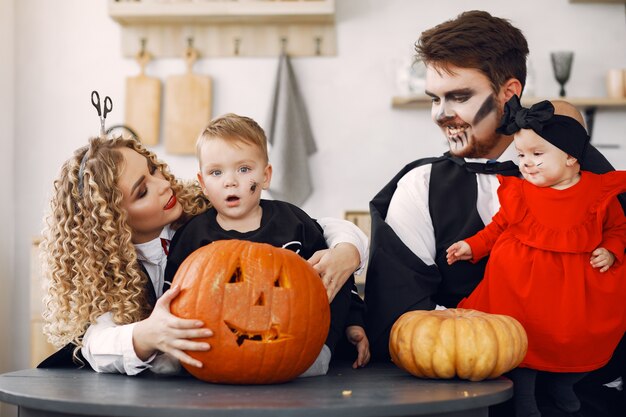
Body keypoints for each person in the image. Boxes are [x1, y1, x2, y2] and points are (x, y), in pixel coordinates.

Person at [364, 10, 625, 417]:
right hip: (457, 401)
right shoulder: (420, 188)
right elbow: (398, 317)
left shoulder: (594, 180)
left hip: (584, 397)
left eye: (460, 96)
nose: (440, 114)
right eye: (436, 98)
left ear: (509, 92)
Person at [40, 134, 370, 374]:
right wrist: (145, 335)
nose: (163, 184)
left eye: (154, 169)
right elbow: (96, 343)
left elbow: (317, 225)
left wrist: (347, 249)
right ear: (112, 221)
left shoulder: (206, 209)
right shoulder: (108, 275)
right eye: (142, 191)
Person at [446, 96, 626, 417]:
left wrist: (610, 249)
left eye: (537, 154)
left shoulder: (598, 192)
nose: (526, 162)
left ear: (571, 156)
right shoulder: (521, 190)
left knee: (578, 339)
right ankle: (524, 395)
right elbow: (500, 226)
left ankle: (564, 383)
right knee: (521, 340)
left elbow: (617, 227)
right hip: (520, 285)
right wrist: (473, 246)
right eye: (521, 154)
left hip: (573, 288)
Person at [164, 113, 370, 376]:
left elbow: (336, 276)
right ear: (203, 183)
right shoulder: (194, 236)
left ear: (266, 176)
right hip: (211, 350)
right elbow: (171, 296)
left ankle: (321, 353)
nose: (230, 181)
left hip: (294, 347)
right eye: (216, 172)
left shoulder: (294, 222)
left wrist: (353, 321)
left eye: (244, 169)